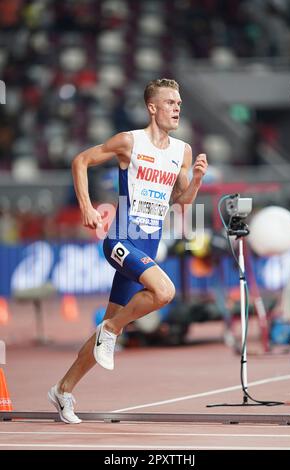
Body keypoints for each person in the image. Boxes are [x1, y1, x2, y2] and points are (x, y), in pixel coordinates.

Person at [48, 78, 208, 424]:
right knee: (165, 292)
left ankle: (63, 390)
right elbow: (80, 161)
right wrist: (87, 208)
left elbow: (181, 202)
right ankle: (113, 331)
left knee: (108, 322)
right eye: (170, 102)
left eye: (179, 103)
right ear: (152, 107)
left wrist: (195, 180)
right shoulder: (128, 142)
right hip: (121, 238)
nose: (177, 108)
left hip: (149, 242)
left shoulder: (182, 151)